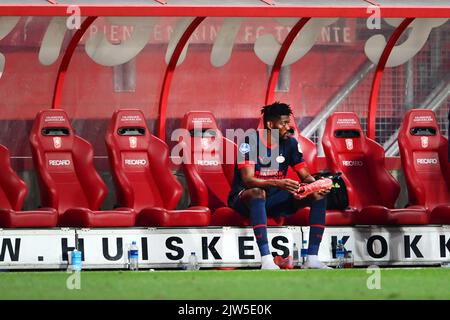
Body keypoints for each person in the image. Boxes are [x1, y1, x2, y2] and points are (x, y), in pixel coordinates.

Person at [228, 102, 331, 270]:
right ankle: (267, 260)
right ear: (270, 124)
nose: (288, 127)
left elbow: (305, 176)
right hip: (245, 198)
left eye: (288, 122)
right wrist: (278, 182)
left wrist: (317, 185)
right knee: (257, 193)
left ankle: (312, 258)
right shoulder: (249, 141)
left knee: (319, 195)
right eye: (283, 123)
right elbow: (248, 180)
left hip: (275, 198)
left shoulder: (290, 144)